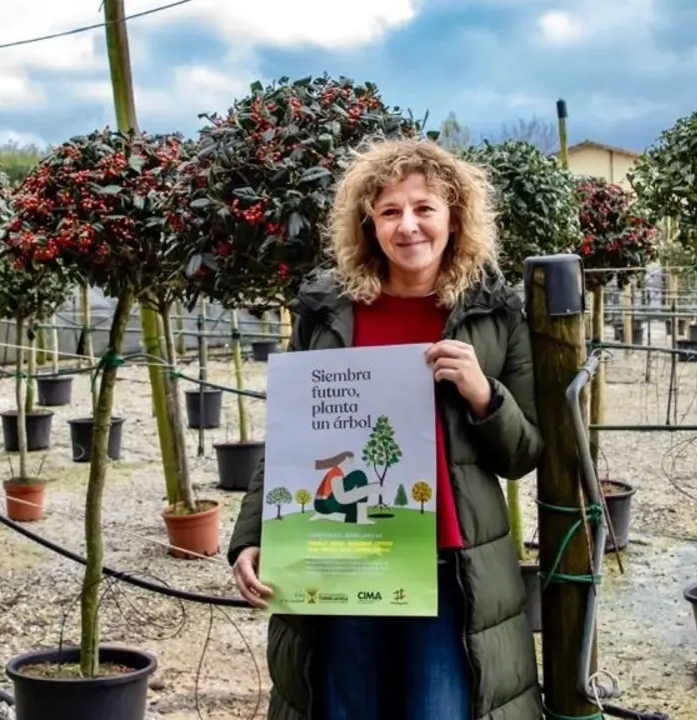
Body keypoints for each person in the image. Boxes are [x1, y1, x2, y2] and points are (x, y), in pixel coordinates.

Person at [228, 137, 544, 720]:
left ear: (455, 216)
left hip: (453, 566)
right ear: (368, 223)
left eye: (424, 208)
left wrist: (483, 394)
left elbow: (523, 454)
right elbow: (294, 438)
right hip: (342, 556)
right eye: (390, 210)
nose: (408, 226)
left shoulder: (495, 315)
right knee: (344, 709)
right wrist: (252, 537)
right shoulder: (327, 311)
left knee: (440, 710)